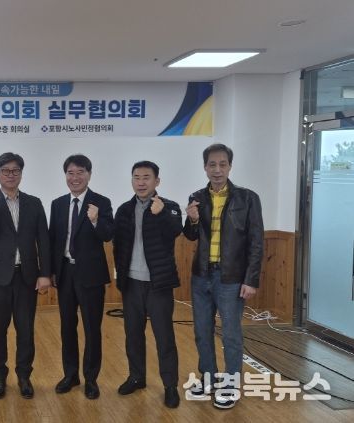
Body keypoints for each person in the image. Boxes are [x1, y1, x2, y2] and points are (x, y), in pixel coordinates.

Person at [183, 144, 263, 409]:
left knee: (230, 334)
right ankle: (209, 378)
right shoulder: (197, 197)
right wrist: (192, 219)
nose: (217, 170)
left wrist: (251, 279)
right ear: (204, 167)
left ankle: (230, 384)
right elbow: (191, 236)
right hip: (201, 275)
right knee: (202, 331)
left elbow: (256, 242)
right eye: (212, 165)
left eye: (222, 164)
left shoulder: (247, 198)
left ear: (230, 166)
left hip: (231, 277)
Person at [0, 152, 51, 400]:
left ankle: (24, 375)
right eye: (5, 171)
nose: (10, 175)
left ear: (21, 173)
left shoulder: (34, 203)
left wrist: (45, 274)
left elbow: (43, 240)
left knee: (26, 329)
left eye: (15, 170)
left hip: (27, 277)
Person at [113, 161, 182, 408]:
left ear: (156, 181)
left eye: (146, 177)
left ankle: (170, 386)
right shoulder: (124, 210)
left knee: (164, 337)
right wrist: (120, 276)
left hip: (158, 285)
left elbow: (176, 231)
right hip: (131, 283)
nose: (141, 182)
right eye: (136, 177)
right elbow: (118, 245)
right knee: (133, 335)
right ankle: (136, 377)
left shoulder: (169, 207)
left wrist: (160, 213)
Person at [48, 154, 114, 400]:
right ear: (65, 175)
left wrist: (95, 220)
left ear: (89, 174)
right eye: (70, 173)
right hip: (65, 273)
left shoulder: (101, 202)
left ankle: (91, 378)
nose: (75, 178)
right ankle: (71, 374)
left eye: (80, 172)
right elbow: (53, 239)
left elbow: (108, 235)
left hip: (91, 276)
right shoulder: (57, 204)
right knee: (67, 327)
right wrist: (51, 271)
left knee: (92, 328)